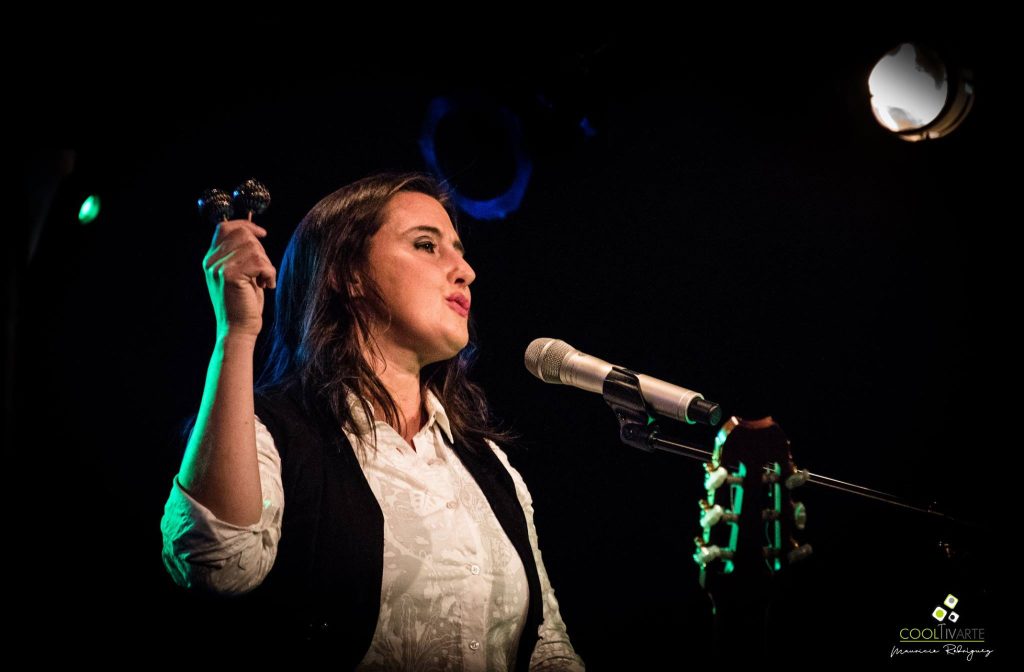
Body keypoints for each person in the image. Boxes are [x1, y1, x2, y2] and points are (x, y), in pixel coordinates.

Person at [160, 172, 586, 671]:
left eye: (460, 249)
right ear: (348, 273)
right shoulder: (277, 432)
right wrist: (236, 333)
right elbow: (216, 564)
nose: (465, 269)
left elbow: (547, 646)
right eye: (427, 246)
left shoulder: (489, 465)